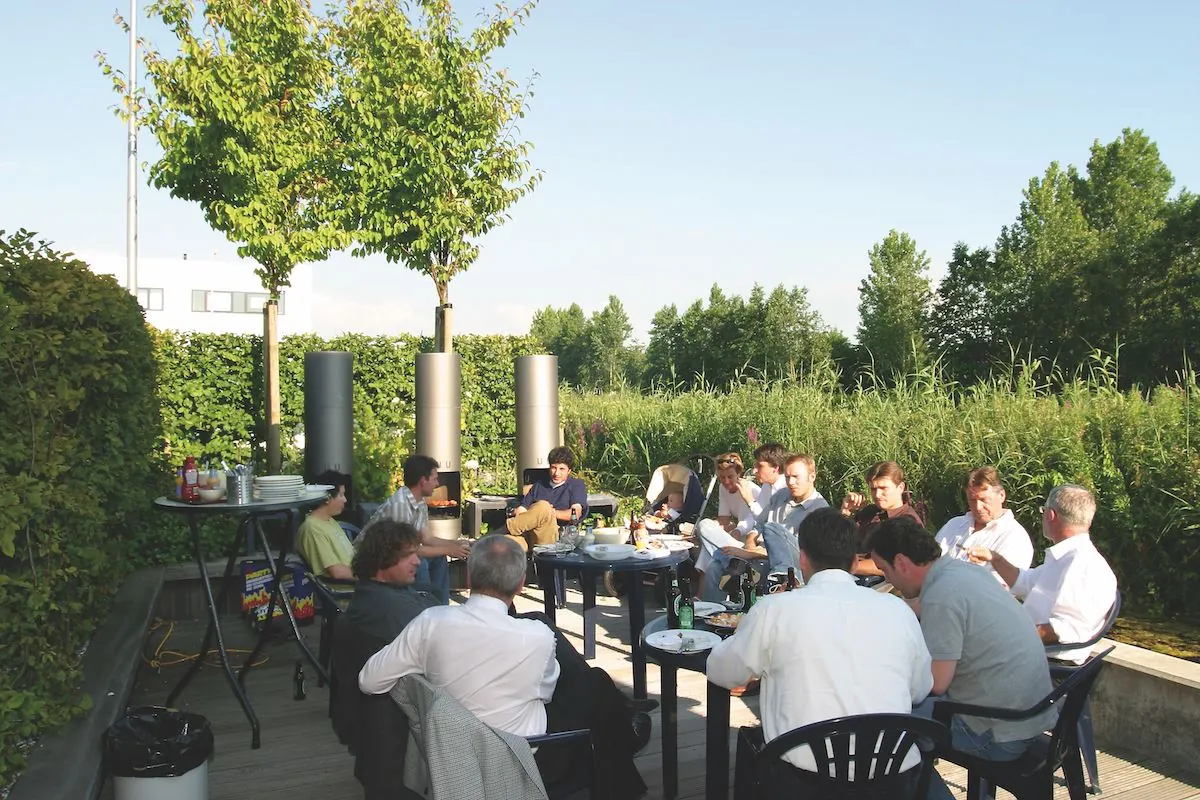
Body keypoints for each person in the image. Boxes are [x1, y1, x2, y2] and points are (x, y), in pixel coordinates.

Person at [359, 534, 649, 799]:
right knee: (596, 689)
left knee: (595, 689)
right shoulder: (536, 637)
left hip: (452, 755)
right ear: (521, 584)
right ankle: (625, 735)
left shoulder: (430, 622)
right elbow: (547, 693)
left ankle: (624, 731)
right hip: (526, 757)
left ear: (469, 575)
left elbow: (369, 681)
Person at [707, 508, 933, 795]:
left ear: (802, 558)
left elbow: (723, 671)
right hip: (892, 781)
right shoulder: (899, 611)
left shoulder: (775, 609)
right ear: (855, 561)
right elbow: (919, 690)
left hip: (805, 783)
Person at [869, 516, 1058, 800]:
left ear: (901, 562)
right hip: (1028, 715)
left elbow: (936, 683)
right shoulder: (964, 572)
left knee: (887, 732)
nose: (887, 579)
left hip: (998, 733)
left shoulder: (942, 595)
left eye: (884, 570)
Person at [332, 519, 438, 800]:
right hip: (397, 736)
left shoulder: (373, 596)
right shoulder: (389, 610)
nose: (417, 561)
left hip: (376, 732)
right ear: (382, 561)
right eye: (407, 556)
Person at [968, 484, 1118, 665]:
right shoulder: (1066, 558)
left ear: (1050, 515)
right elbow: (1024, 582)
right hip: (1030, 653)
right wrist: (994, 558)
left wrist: (1009, 635)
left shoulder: (1082, 565)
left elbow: (1067, 629)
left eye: (1043, 511)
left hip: (1046, 664)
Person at [696, 453, 829, 601]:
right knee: (714, 566)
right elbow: (758, 524)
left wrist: (751, 554)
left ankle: (778, 579)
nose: (791, 482)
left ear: (812, 477)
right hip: (756, 555)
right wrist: (750, 542)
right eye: (787, 477)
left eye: (796, 477)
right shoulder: (781, 496)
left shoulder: (819, 510)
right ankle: (715, 611)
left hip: (789, 565)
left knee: (771, 528)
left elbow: (805, 557)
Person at [367, 454, 471, 604]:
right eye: (434, 479)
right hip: (377, 558)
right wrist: (449, 550)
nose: (437, 484)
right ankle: (422, 607)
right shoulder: (400, 505)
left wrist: (455, 544)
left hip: (397, 552)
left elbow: (427, 538)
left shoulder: (419, 502)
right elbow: (407, 549)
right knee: (419, 563)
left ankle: (440, 609)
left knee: (439, 558)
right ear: (423, 481)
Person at [934, 466, 1033, 587]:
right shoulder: (954, 525)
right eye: (972, 500)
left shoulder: (1015, 538)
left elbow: (998, 589)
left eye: (984, 500)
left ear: (1001, 495)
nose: (978, 507)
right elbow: (929, 563)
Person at [689, 453, 758, 597]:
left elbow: (753, 519)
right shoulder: (723, 488)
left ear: (738, 474)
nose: (726, 481)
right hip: (735, 537)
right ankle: (707, 599)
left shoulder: (748, 489)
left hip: (751, 539)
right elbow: (723, 519)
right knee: (706, 537)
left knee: (704, 527)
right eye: (722, 477)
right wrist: (708, 529)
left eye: (730, 477)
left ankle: (700, 595)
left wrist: (737, 530)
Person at [840, 460, 924, 576]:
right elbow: (839, 541)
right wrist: (845, 512)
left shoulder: (908, 522)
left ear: (900, 487)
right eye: (873, 489)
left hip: (881, 583)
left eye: (883, 488)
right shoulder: (869, 512)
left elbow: (893, 565)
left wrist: (842, 566)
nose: (877, 495)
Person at [504, 446, 588, 551]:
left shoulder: (576, 485)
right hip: (528, 535)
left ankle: (505, 528)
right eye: (553, 468)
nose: (556, 473)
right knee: (502, 545)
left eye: (561, 469)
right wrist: (533, 514)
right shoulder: (539, 485)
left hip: (555, 537)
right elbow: (522, 510)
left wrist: (549, 512)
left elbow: (575, 514)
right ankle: (497, 537)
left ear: (569, 471)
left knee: (543, 506)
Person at [297, 470, 354, 579]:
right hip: (346, 587)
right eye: (341, 495)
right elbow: (337, 573)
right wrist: (372, 577)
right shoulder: (313, 528)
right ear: (327, 498)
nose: (345, 500)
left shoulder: (330, 521)